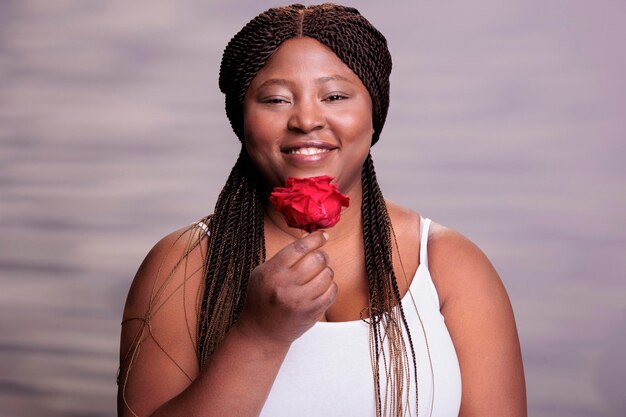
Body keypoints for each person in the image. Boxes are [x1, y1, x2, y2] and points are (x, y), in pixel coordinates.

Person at [117, 4, 526, 417]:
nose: (307, 119)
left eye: (334, 96)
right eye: (275, 99)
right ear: (242, 119)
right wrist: (258, 335)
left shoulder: (447, 265)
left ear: (374, 113)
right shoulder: (184, 264)